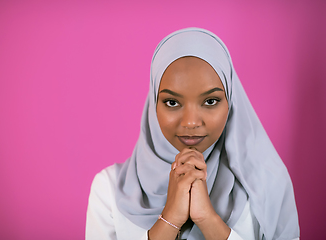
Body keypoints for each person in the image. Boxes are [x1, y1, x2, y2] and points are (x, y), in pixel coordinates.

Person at [85, 28, 300, 240]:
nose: (190, 122)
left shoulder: (267, 185)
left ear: (230, 102)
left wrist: (208, 219)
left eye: (210, 101)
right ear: (153, 105)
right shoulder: (109, 190)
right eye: (172, 102)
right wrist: (169, 219)